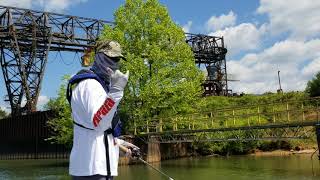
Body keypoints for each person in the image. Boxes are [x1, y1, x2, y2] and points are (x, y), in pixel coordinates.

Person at [67, 40, 139, 180]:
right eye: (110, 58)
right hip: (93, 170)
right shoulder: (90, 85)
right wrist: (116, 92)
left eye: (117, 59)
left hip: (93, 167)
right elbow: (98, 122)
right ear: (98, 57)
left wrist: (120, 143)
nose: (114, 62)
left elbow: (97, 129)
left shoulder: (98, 85)